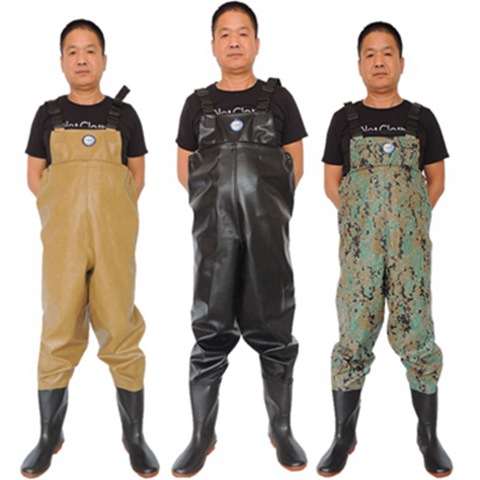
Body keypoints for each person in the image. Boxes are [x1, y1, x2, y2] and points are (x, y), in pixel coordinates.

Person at [172, 2, 307, 476]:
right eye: (225, 33)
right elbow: (185, 171)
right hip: (214, 239)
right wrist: (219, 208)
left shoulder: (279, 99)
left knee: (275, 330)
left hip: (268, 236)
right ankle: (201, 435)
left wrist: (261, 206)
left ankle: (281, 429)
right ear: (213, 45)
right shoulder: (196, 104)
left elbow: (294, 166)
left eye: (243, 32)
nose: (234, 41)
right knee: (210, 331)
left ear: (256, 43)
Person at [20, 19, 159, 478]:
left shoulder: (125, 116)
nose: (82, 59)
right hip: (62, 244)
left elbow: (136, 177)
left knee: (120, 327)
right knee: (58, 328)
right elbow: (35, 177)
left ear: (104, 59)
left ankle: (134, 436)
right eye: (73, 51)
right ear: (62, 61)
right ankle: (48, 434)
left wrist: (107, 210)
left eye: (90, 50)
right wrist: (67, 210)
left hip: (113, 241)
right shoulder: (48, 115)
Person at [317, 22, 453, 478]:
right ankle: (343, 435)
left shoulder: (421, 118)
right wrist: (365, 220)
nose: (379, 61)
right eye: (370, 54)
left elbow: (436, 180)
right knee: (353, 336)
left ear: (401, 62)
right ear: (359, 64)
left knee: (418, 334)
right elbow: (332, 184)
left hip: (411, 252)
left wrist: (406, 220)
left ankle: (428, 436)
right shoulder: (344, 120)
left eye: (387, 53)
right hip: (360, 253)